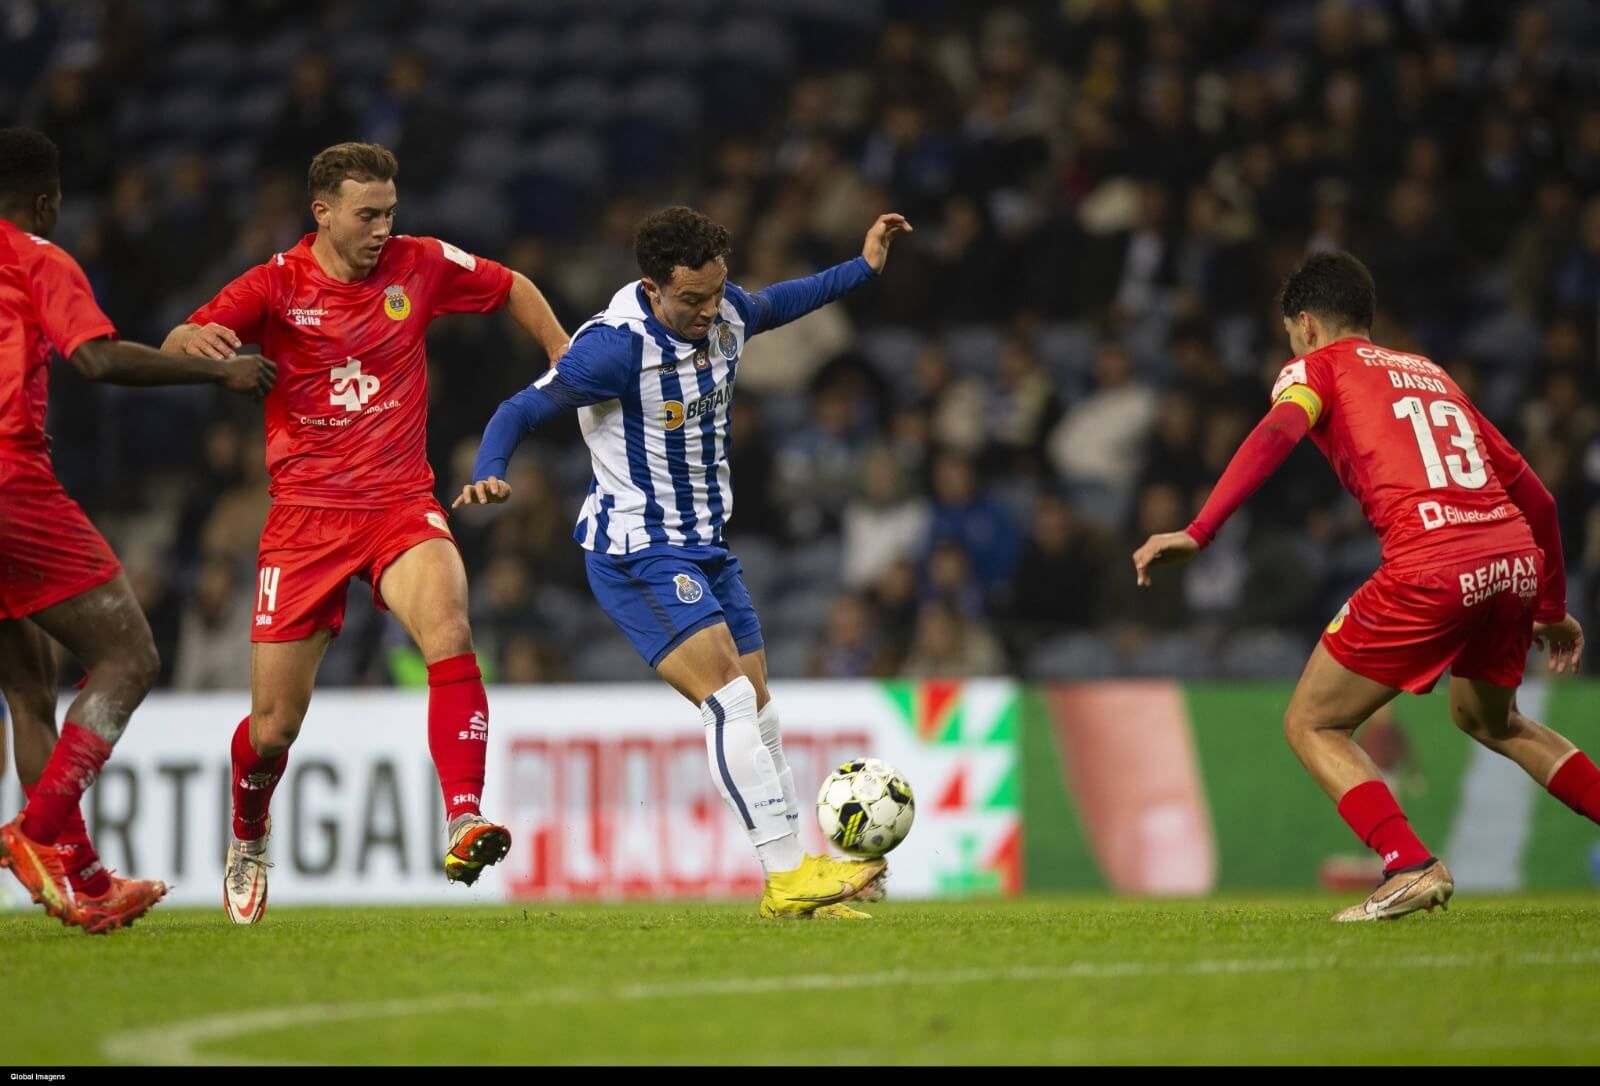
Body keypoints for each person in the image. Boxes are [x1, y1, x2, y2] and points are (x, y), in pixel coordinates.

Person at [457, 206, 911, 919]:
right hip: (639, 549)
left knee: (758, 712)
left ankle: (803, 887)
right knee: (726, 699)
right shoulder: (611, 349)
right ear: (652, 288)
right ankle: (785, 873)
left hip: (706, 545)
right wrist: (490, 468)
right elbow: (518, 409)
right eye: (692, 300)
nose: (710, 310)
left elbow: (779, 302)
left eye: (716, 291)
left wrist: (863, 267)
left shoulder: (724, 306)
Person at [161, 143, 570, 923]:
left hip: (398, 502)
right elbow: (185, 334)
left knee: (449, 626)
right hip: (305, 521)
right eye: (367, 214)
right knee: (275, 727)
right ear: (323, 213)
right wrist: (204, 352)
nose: (385, 227)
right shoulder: (276, 283)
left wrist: (560, 354)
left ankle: (462, 815)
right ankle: (248, 830)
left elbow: (511, 284)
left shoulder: (418, 263)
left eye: (390, 211)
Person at [1133, 251, 1600, 921]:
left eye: (1293, 335)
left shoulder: (1315, 369)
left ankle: (1409, 864)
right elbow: (1541, 500)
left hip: (1433, 564)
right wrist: (1551, 607)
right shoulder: (1431, 374)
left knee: (1311, 721)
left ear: (1306, 326)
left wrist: (1200, 531)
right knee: (1490, 720)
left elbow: (1277, 431)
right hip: (1511, 560)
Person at [0, 127, 276, 933]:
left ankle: (82, 885)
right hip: (12, 483)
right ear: (48, 200)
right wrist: (215, 370)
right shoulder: (37, 256)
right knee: (130, 654)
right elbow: (95, 358)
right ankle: (39, 832)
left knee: (26, 689)